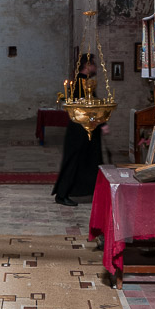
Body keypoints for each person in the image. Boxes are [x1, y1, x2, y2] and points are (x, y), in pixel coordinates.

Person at [52, 54, 105, 207]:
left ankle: (93, 191)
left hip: (85, 130)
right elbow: (87, 109)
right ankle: (62, 194)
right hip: (80, 130)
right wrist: (101, 123)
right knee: (74, 162)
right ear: (87, 65)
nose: (96, 68)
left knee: (88, 162)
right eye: (94, 64)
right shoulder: (81, 84)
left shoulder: (83, 82)